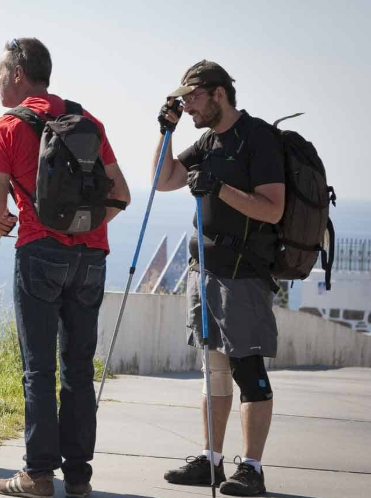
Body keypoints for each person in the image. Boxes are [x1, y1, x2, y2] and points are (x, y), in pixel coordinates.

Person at [0, 38, 130, 498]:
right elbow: (121, 195)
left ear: (18, 74)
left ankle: (37, 475)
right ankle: (78, 478)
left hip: (39, 254)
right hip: (92, 257)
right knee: (78, 368)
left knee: (39, 369)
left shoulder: (6, 128)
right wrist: (83, 228)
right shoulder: (87, 119)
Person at [155, 60, 284, 496]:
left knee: (249, 371)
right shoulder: (208, 141)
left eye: (190, 98)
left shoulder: (258, 138)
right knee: (214, 371)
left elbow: (272, 208)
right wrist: (167, 131)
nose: (186, 106)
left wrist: (219, 188)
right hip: (205, 274)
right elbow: (164, 179)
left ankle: (252, 468)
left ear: (218, 93)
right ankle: (212, 461)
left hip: (243, 275)